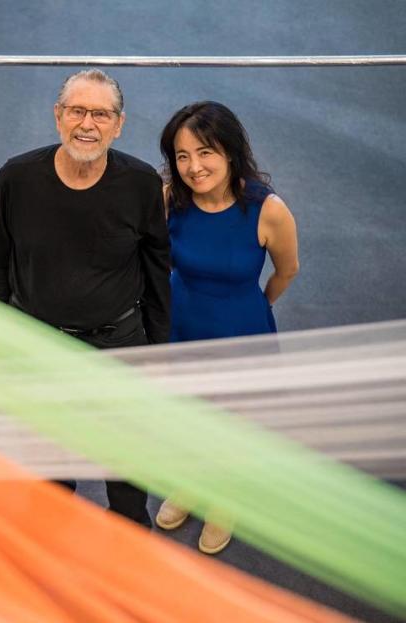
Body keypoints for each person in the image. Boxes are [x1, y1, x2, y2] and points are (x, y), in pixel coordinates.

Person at [0, 69, 170, 528]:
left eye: (101, 114)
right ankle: (55, 541)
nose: (88, 124)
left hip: (117, 343)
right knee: (47, 455)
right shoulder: (17, 177)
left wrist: (161, 351)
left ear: (119, 124)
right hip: (39, 344)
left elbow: (156, 266)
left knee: (125, 460)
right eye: (77, 111)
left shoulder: (141, 184)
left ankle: (128, 543)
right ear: (58, 116)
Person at [155, 101, 299, 553]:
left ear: (231, 152)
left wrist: (253, 308)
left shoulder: (268, 210)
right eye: (182, 156)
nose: (193, 167)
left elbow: (286, 271)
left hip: (241, 329)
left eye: (205, 152)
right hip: (183, 323)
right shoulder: (168, 199)